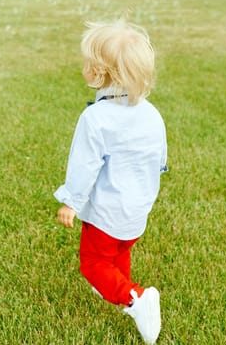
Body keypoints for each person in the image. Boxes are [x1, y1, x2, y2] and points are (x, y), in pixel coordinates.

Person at [54, 20, 168, 344]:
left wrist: (71, 201)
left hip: (106, 213)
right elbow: (159, 159)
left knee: (92, 263)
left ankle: (135, 298)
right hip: (136, 213)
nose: (84, 67)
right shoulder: (152, 114)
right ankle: (119, 287)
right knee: (120, 252)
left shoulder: (96, 118)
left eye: (89, 63)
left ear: (103, 74)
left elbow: (84, 166)